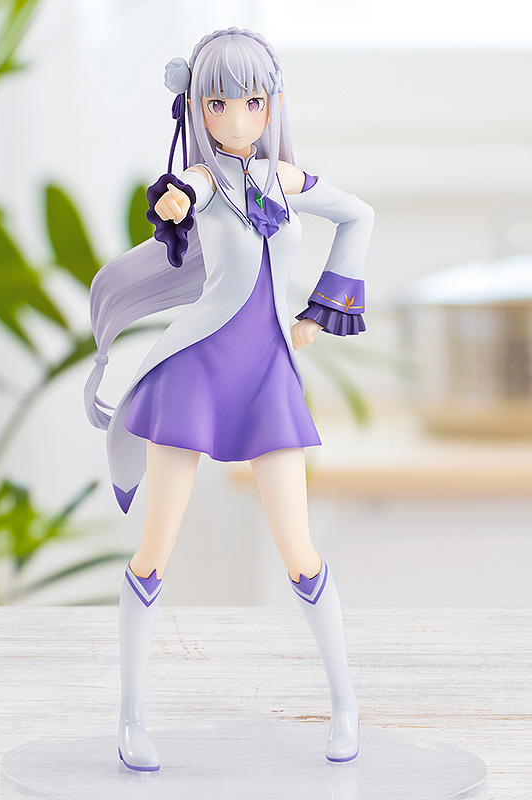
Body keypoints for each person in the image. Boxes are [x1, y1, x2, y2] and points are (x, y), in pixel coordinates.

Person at [84, 27, 374, 772]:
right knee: (155, 552)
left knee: (301, 554)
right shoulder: (206, 180)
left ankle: (346, 706)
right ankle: (131, 719)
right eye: (218, 103)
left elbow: (358, 215)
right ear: (196, 108)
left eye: (252, 101)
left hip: (267, 378)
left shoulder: (284, 178)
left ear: (271, 103)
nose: (238, 118)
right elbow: (184, 195)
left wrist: (321, 313)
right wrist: (175, 199)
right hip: (196, 376)